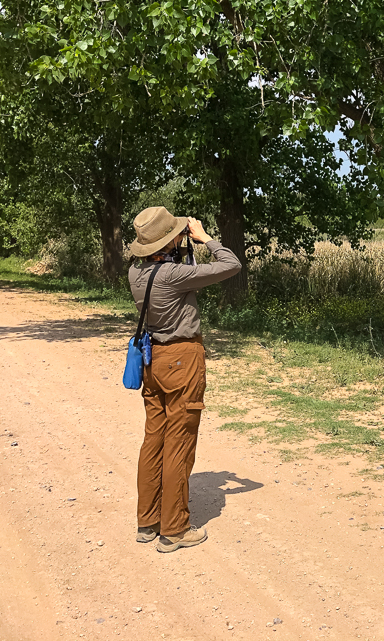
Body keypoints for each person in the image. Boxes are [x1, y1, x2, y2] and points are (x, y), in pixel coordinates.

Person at [128, 206, 241, 553]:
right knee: (179, 442)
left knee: (154, 440)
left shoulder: (136, 271)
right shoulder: (172, 275)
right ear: (168, 242)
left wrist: (179, 245)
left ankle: (147, 521)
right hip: (182, 359)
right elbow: (231, 265)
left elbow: (179, 271)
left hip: (153, 360)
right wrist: (205, 238)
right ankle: (174, 529)